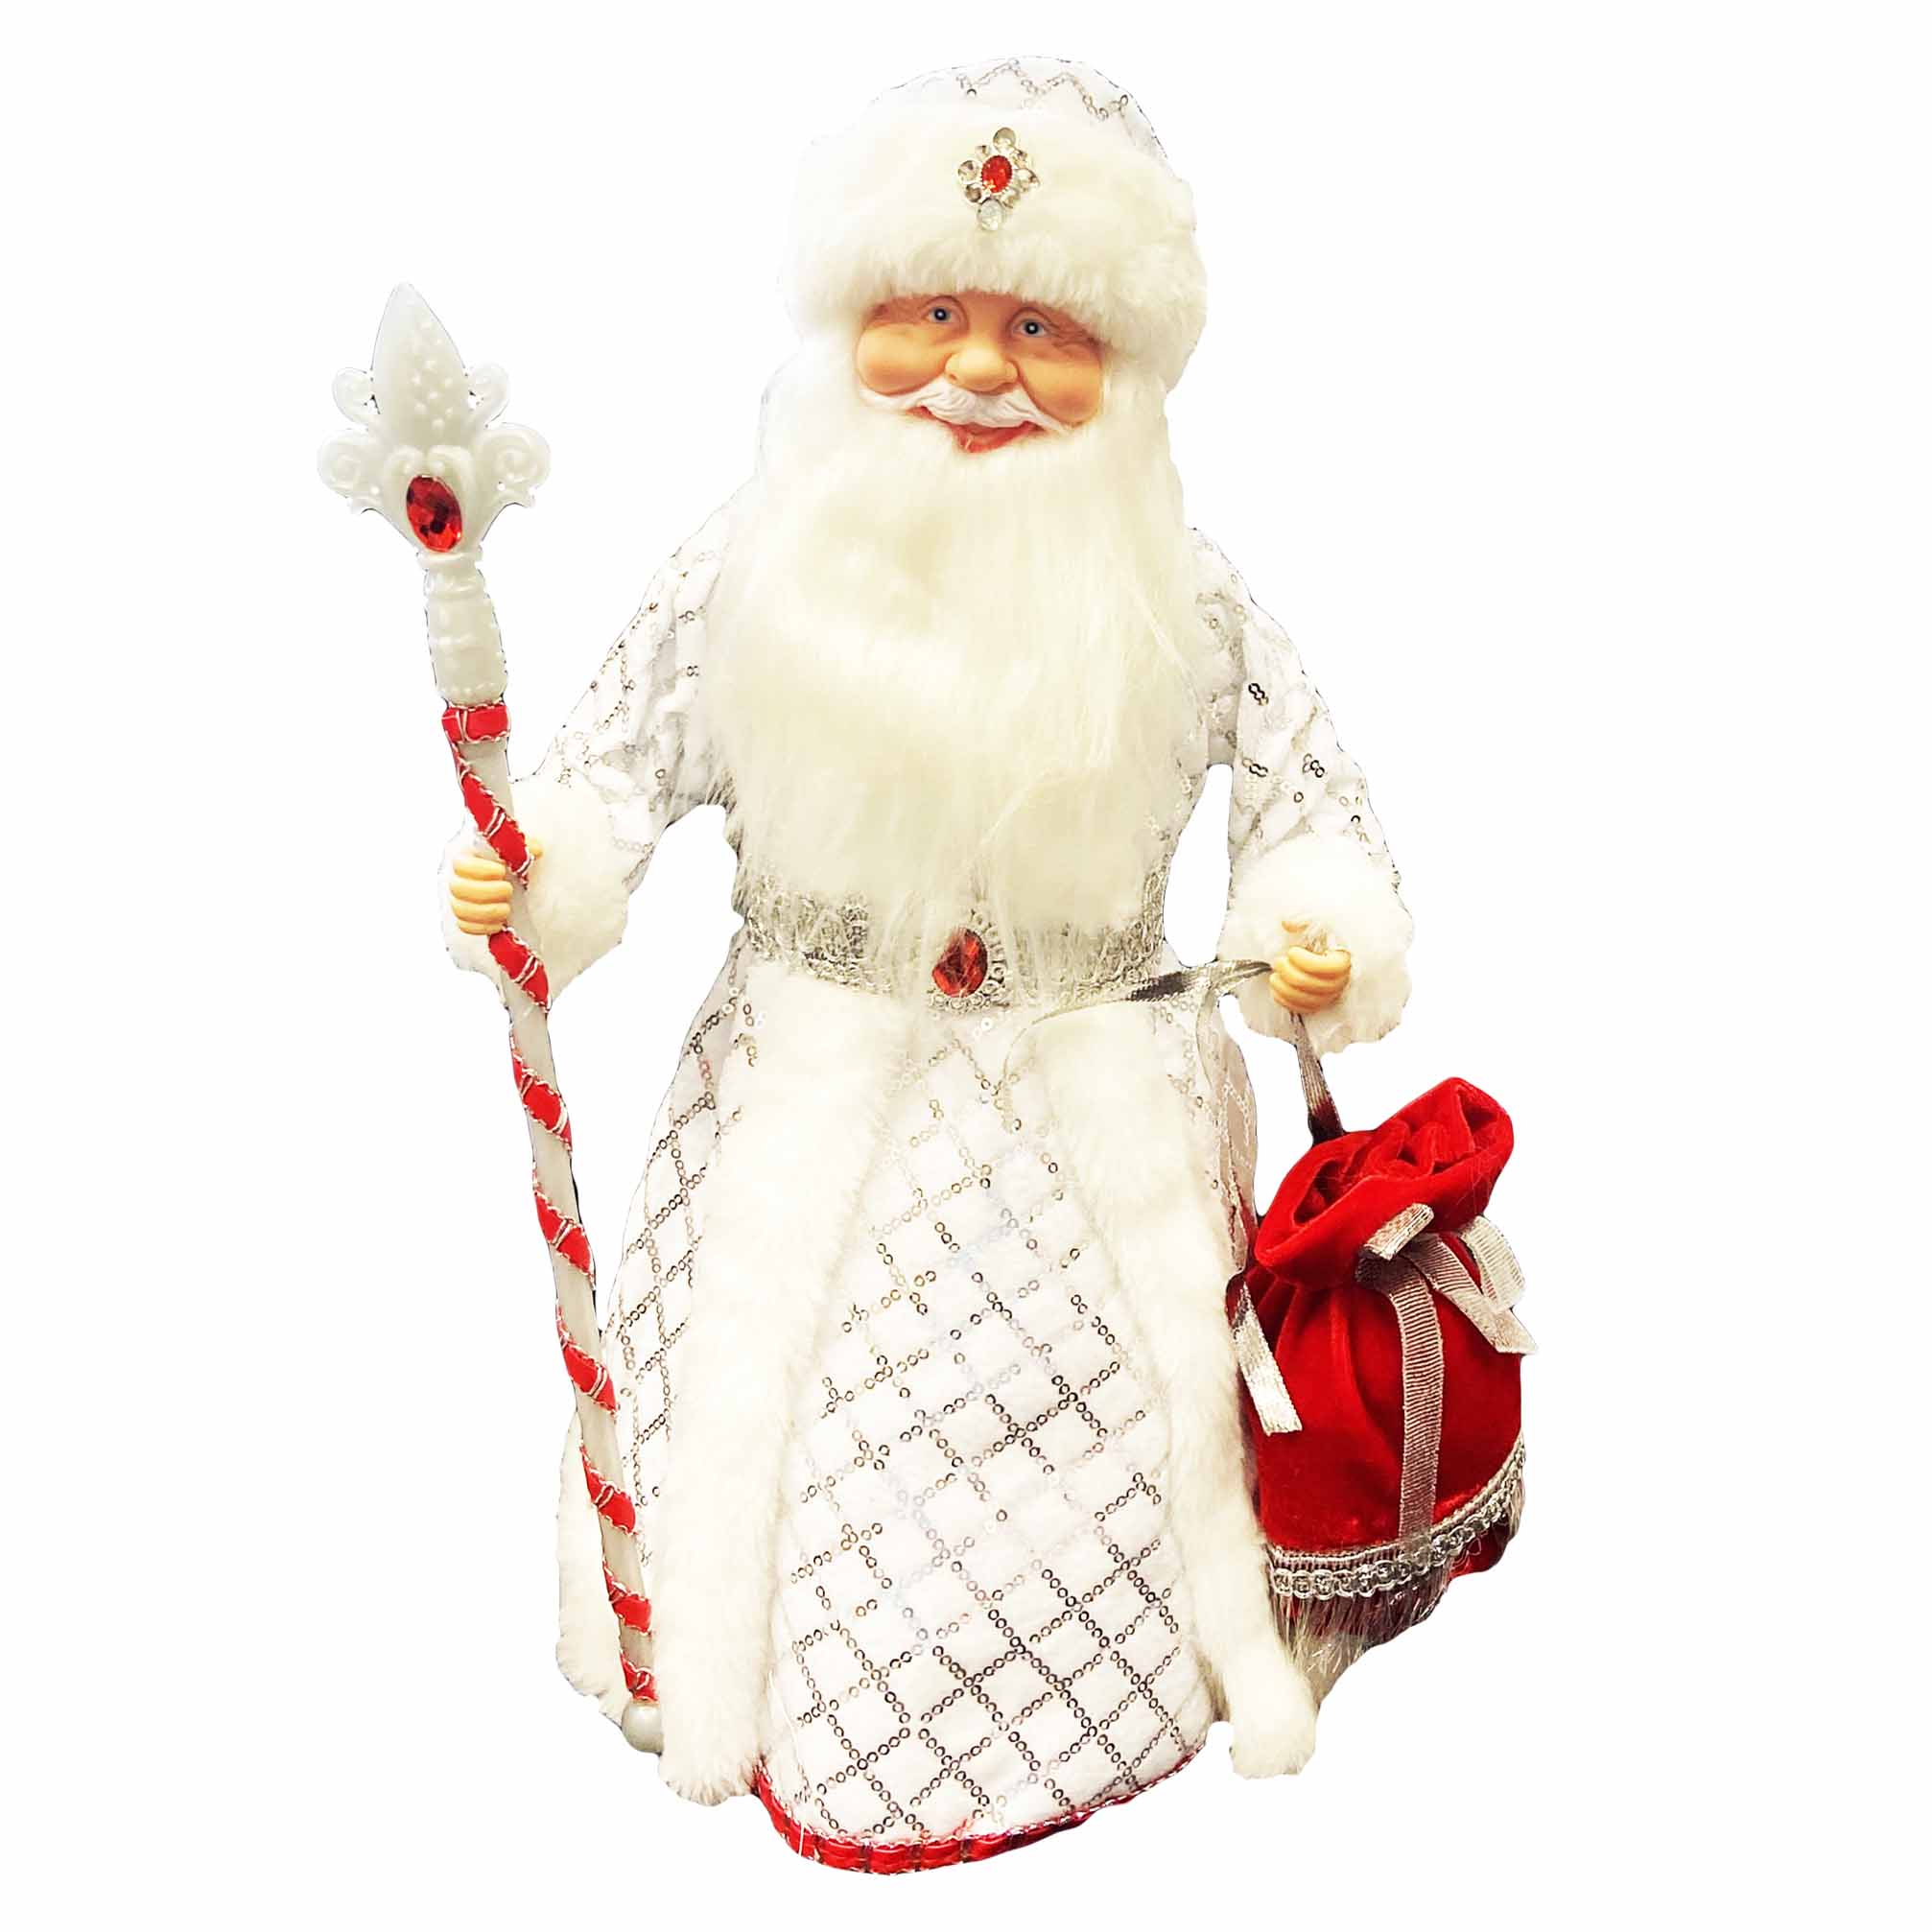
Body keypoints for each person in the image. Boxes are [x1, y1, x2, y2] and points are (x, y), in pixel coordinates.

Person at [443, 56, 1413, 1863]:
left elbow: (1310, 798)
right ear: (854, 318)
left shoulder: (1181, 592)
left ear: (1120, 361)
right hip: (798, 1090)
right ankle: (740, 1697)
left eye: (1041, 328)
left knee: (1072, 1461)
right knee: (797, 1432)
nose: (977, 370)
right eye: (934, 315)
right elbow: (606, 772)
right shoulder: (753, 563)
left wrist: (1313, 922)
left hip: (1085, 1133)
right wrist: (543, 871)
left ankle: (1100, 1720)